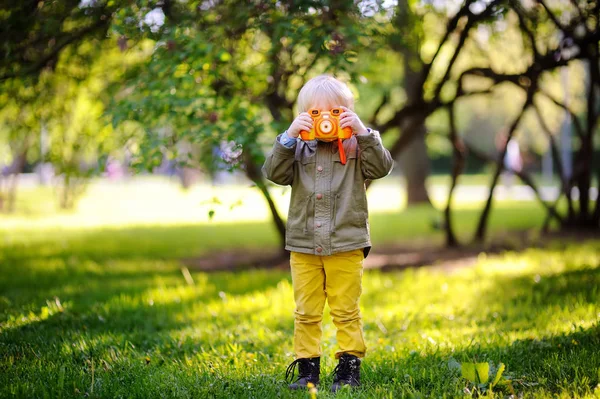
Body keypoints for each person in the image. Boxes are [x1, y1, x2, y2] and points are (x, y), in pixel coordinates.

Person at [262, 75, 394, 392]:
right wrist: (288, 137)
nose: (325, 121)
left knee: (346, 311)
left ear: (348, 114)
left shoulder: (357, 147)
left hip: (346, 245)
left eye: (335, 113)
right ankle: (308, 369)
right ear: (305, 116)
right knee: (305, 312)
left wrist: (363, 133)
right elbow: (274, 174)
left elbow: (382, 168)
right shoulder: (298, 148)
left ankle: (349, 369)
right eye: (316, 114)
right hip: (304, 246)